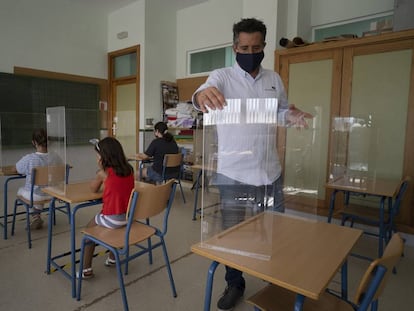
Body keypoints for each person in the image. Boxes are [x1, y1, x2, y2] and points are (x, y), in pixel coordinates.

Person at [192, 18, 312, 311]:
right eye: (244, 47)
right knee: (233, 237)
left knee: (276, 233)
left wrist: (293, 116)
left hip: (270, 172)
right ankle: (235, 283)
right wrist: (200, 96)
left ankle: (277, 282)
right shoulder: (221, 76)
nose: (250, 52)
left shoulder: (274, 79)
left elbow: (281, 112)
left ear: (263, 47)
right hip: (233, 175)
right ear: (235, 47)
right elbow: (200, 96)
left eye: (255, 47)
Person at [78, 137, 134, 279]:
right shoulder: (130, 170)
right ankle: (112, 259)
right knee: (114, 224)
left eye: (97, 155)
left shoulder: (104, 173)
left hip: (112, 219)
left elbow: (93, 189)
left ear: (103, 157)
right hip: (128, 218)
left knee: (88, 232)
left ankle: (86, 270)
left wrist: (100, 171)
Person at [15, 128, 62, 230]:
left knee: (21, 191)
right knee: (39, 190)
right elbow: (62, 167)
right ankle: (37, 216)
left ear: (34, 142)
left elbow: (18, 168)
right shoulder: (55, 157)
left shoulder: (29, 158)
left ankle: (35, 216)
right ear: (48, 141)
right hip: (52, 193)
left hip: (36, 196)